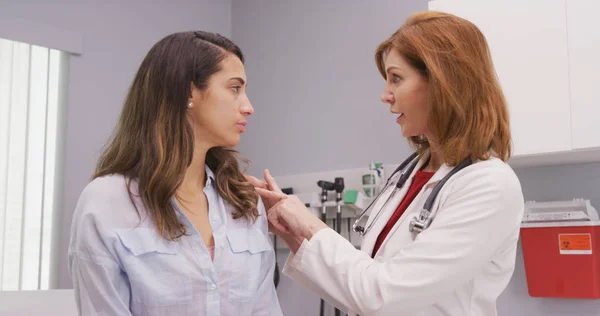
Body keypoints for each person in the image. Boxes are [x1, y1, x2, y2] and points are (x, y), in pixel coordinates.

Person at [247, 11, 524, 316]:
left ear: (443, 82)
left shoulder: (490, 186)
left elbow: (382, 296)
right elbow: (360, 289)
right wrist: (294, 234)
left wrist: (311, 225)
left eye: (396, 78)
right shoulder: (408, 177)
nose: (385, 95)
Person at [68, 31, 282, 316]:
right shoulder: (106, 203)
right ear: (188, 92)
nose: (248, 107)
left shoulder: (244, 203)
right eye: (234, 88)